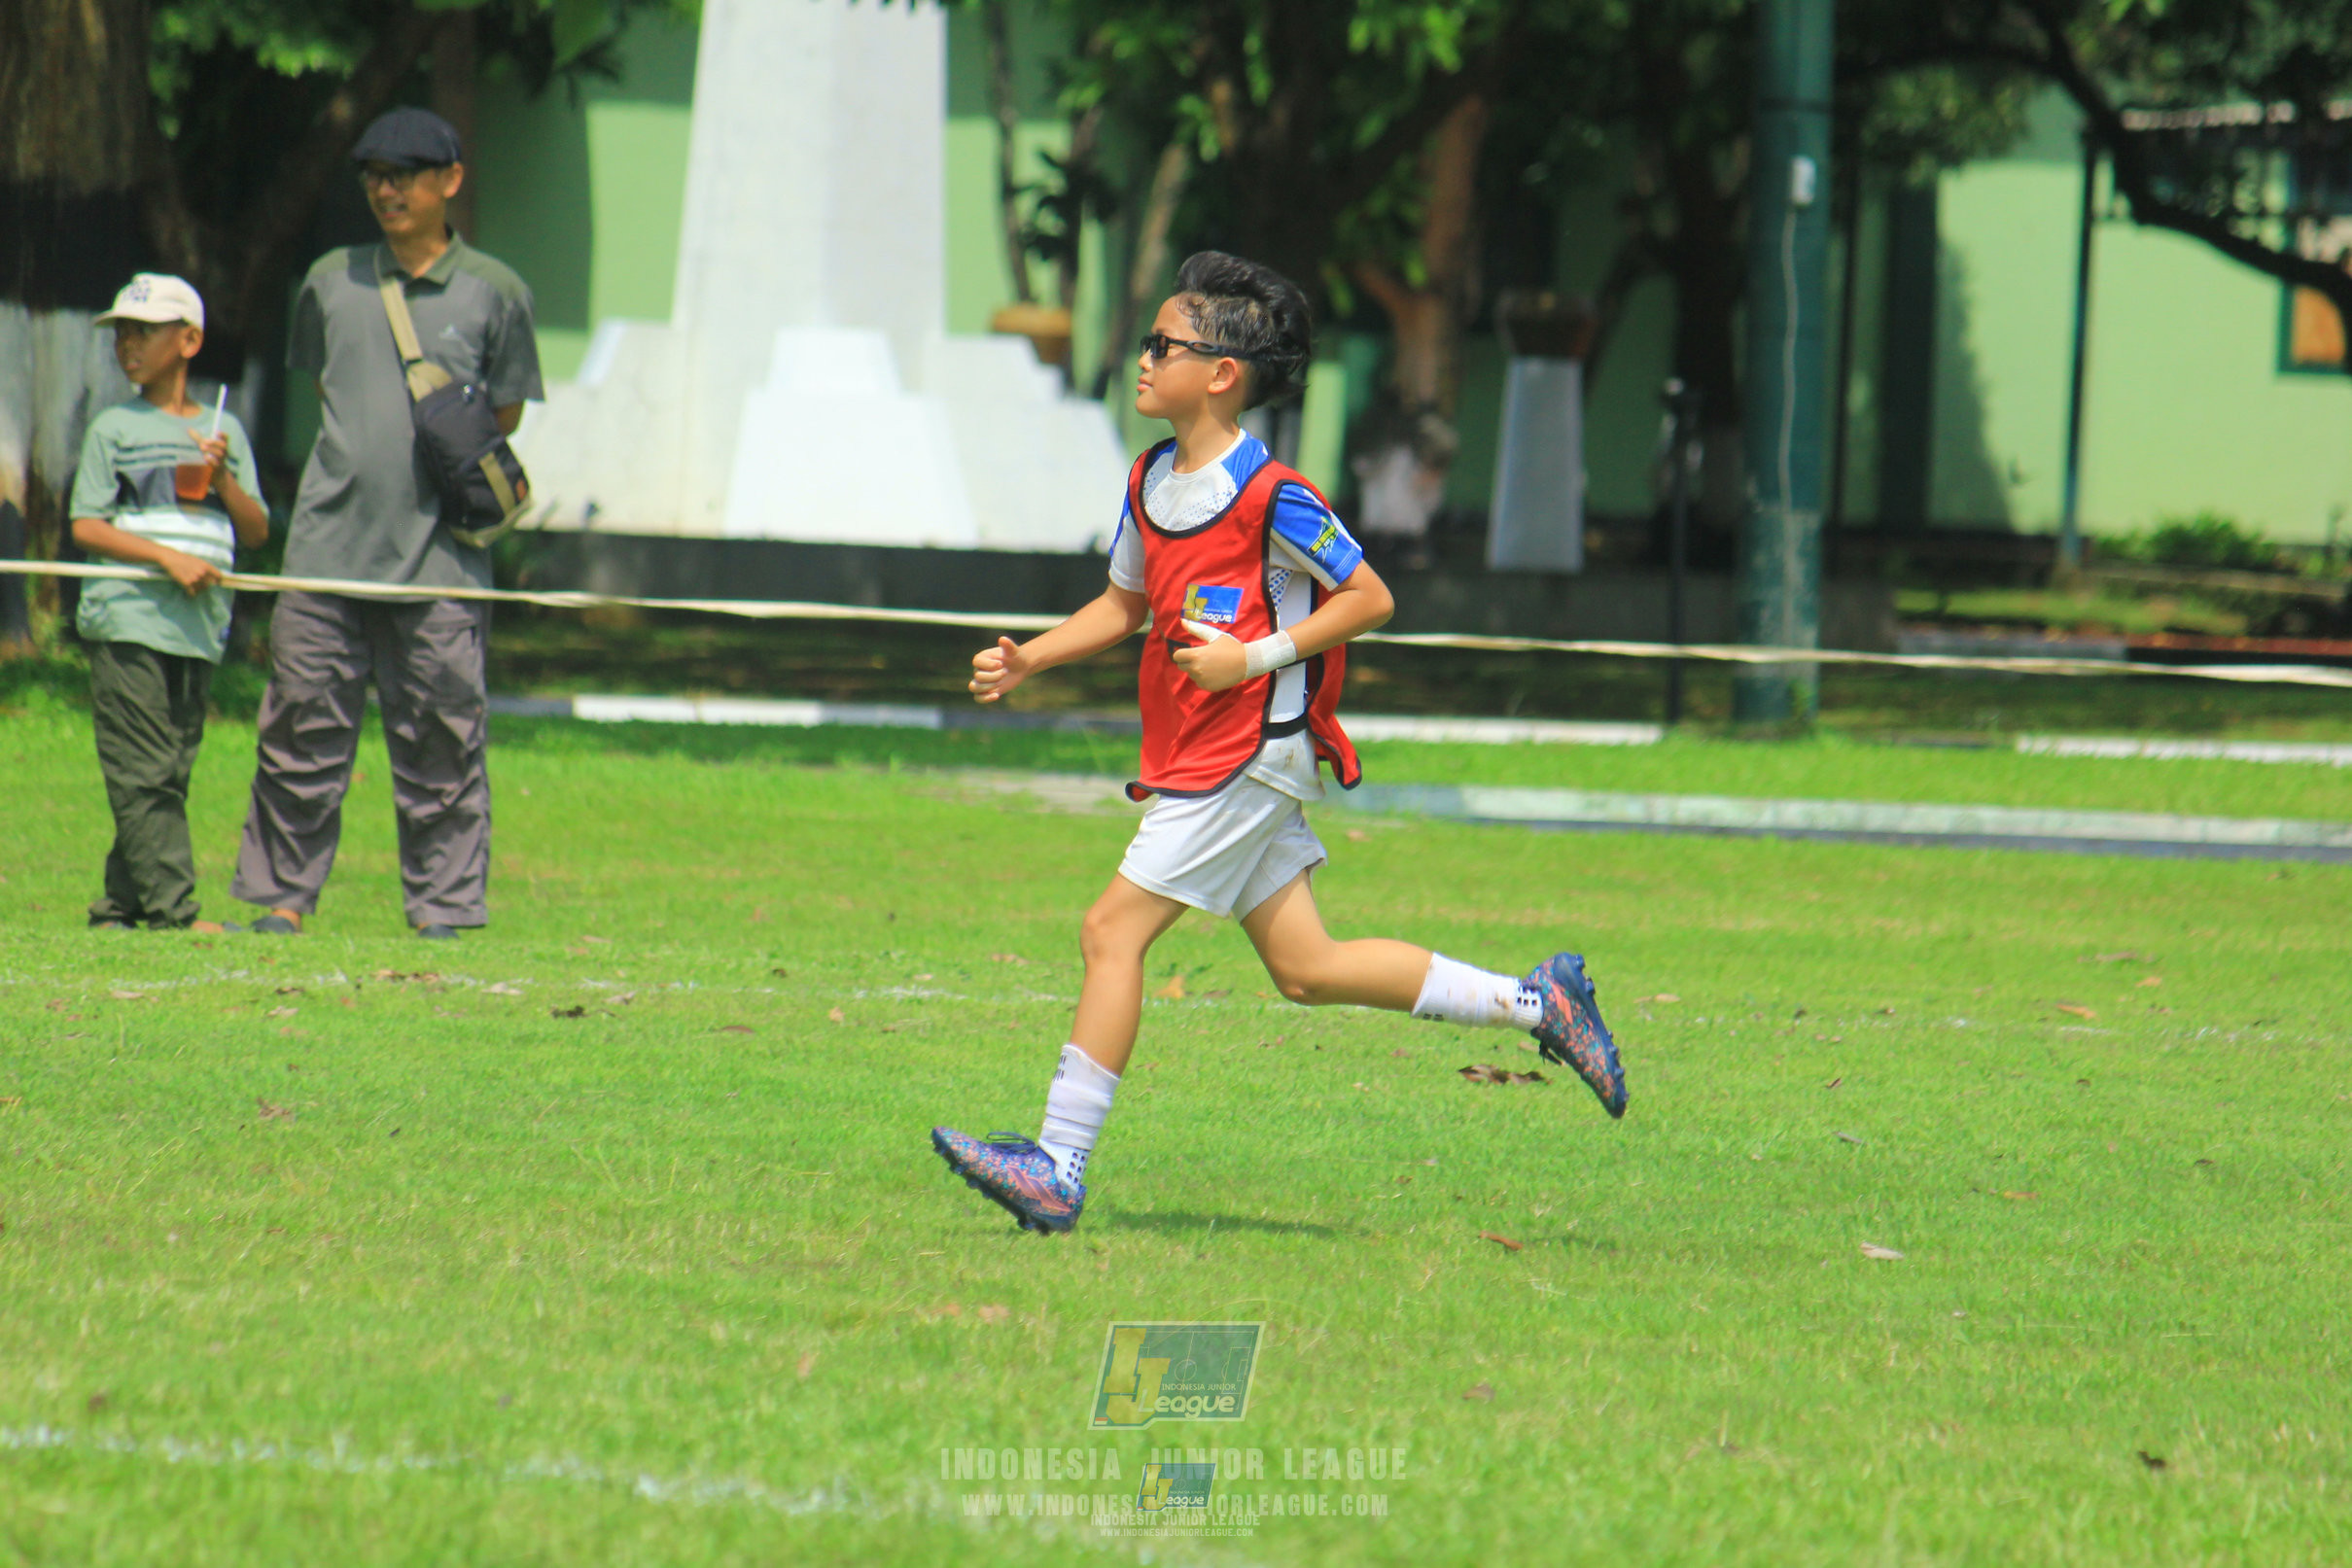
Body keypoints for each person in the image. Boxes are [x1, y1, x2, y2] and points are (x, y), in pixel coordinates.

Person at [930, 252, 1625, 1236]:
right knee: (1308, 967)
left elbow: (1370, 597)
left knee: (1110, 932)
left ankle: (1056, 1164)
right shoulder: (1147, 478)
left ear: (1220, 373)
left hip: (1246, 755)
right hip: (1202, 755)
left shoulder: (1272, 494)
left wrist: (1250, 657)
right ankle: (1539, 1002)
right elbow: (1124, 603)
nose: (1142, 358)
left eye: (1162, 344)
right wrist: (1029, 657)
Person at [231, 106, 542, 940]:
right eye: (373, 174)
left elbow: (502, 415)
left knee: (443, 742)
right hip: (324, 552)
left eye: (404, 174)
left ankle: (443, 909)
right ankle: (280, 900)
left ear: (451, 181)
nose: (385, 189)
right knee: (298, 732)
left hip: (441, 561)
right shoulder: (329, 280)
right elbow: (328, 389)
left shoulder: (497, 292)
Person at [69, 273, 269, 932]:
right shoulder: (113, 428)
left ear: (188, 341)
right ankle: (174, 912)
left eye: (143, 331)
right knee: (146, 770)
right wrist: (166, 558)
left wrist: (224, 480)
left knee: (168, 770)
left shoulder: (223, 430)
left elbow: (256, 530)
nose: (127, 344)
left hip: (197, 626)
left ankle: (121, 905)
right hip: (128, 618)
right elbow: (86, 525)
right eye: (122, 333)